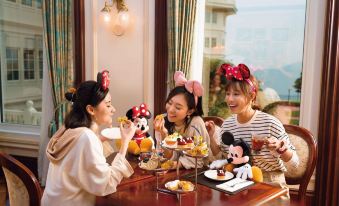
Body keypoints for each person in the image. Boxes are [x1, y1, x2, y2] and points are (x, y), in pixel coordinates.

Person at [41, 71, 136, 206]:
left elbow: (77, 159)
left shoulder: (68, 128)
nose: (113, 109)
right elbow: (105, 184)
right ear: (91, 109)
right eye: (108, 105)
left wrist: (100, 138)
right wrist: (125, 142)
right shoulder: (86, 137)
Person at [208, 63, 299, 198]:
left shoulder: (270, 123)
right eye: (228, 93)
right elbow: (220, 155)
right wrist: (211, 135)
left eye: (236, 94)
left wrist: (282, 149)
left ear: (252, 96)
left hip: (270, 185)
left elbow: (295, 163)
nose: (229, 99)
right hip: (237, 182)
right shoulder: (228, 124)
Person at [153, 71, 213, 169]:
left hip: (201, 173)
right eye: (169, 102)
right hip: (177, 172)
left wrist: (171, 165)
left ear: (189, 111)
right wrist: (163, 134)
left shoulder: (196, 124)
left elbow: (198, 160)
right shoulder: (163, 121)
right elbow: (166, 156)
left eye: (178, 107)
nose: (170, 110)